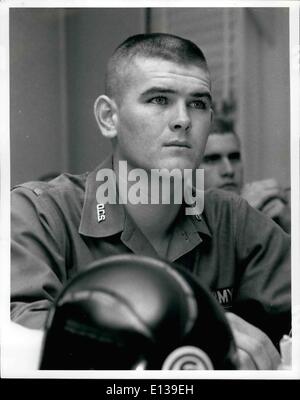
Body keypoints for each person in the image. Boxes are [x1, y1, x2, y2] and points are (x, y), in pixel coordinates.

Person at [11, 33, 290, 370]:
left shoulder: (233, 218)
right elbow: (18, 340)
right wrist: (189, 333)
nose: (183, 119)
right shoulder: (38, 213)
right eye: (159, 99)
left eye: (198, 103)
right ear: (108, 117)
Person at [199, 117, 291, 233]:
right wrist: (241, 214)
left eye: (234, 157)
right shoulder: (177, 221)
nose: (229, 170)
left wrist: (289, 226)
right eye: (213, 159)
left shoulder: (263, 211)